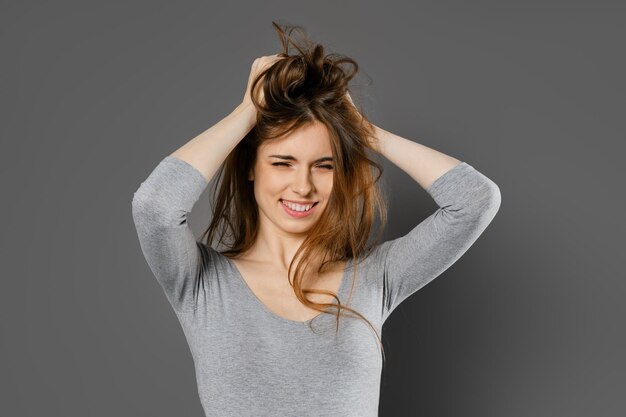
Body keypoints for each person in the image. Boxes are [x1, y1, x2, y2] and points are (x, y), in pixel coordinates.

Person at [131, 21, 501, 417]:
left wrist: (362, 132)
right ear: (252, 167)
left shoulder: (375, 278)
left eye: (323, 165)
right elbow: (155, 207)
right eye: (282, 162)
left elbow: (474, 200)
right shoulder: (201, 283)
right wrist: (247, 112)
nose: (303, 186)